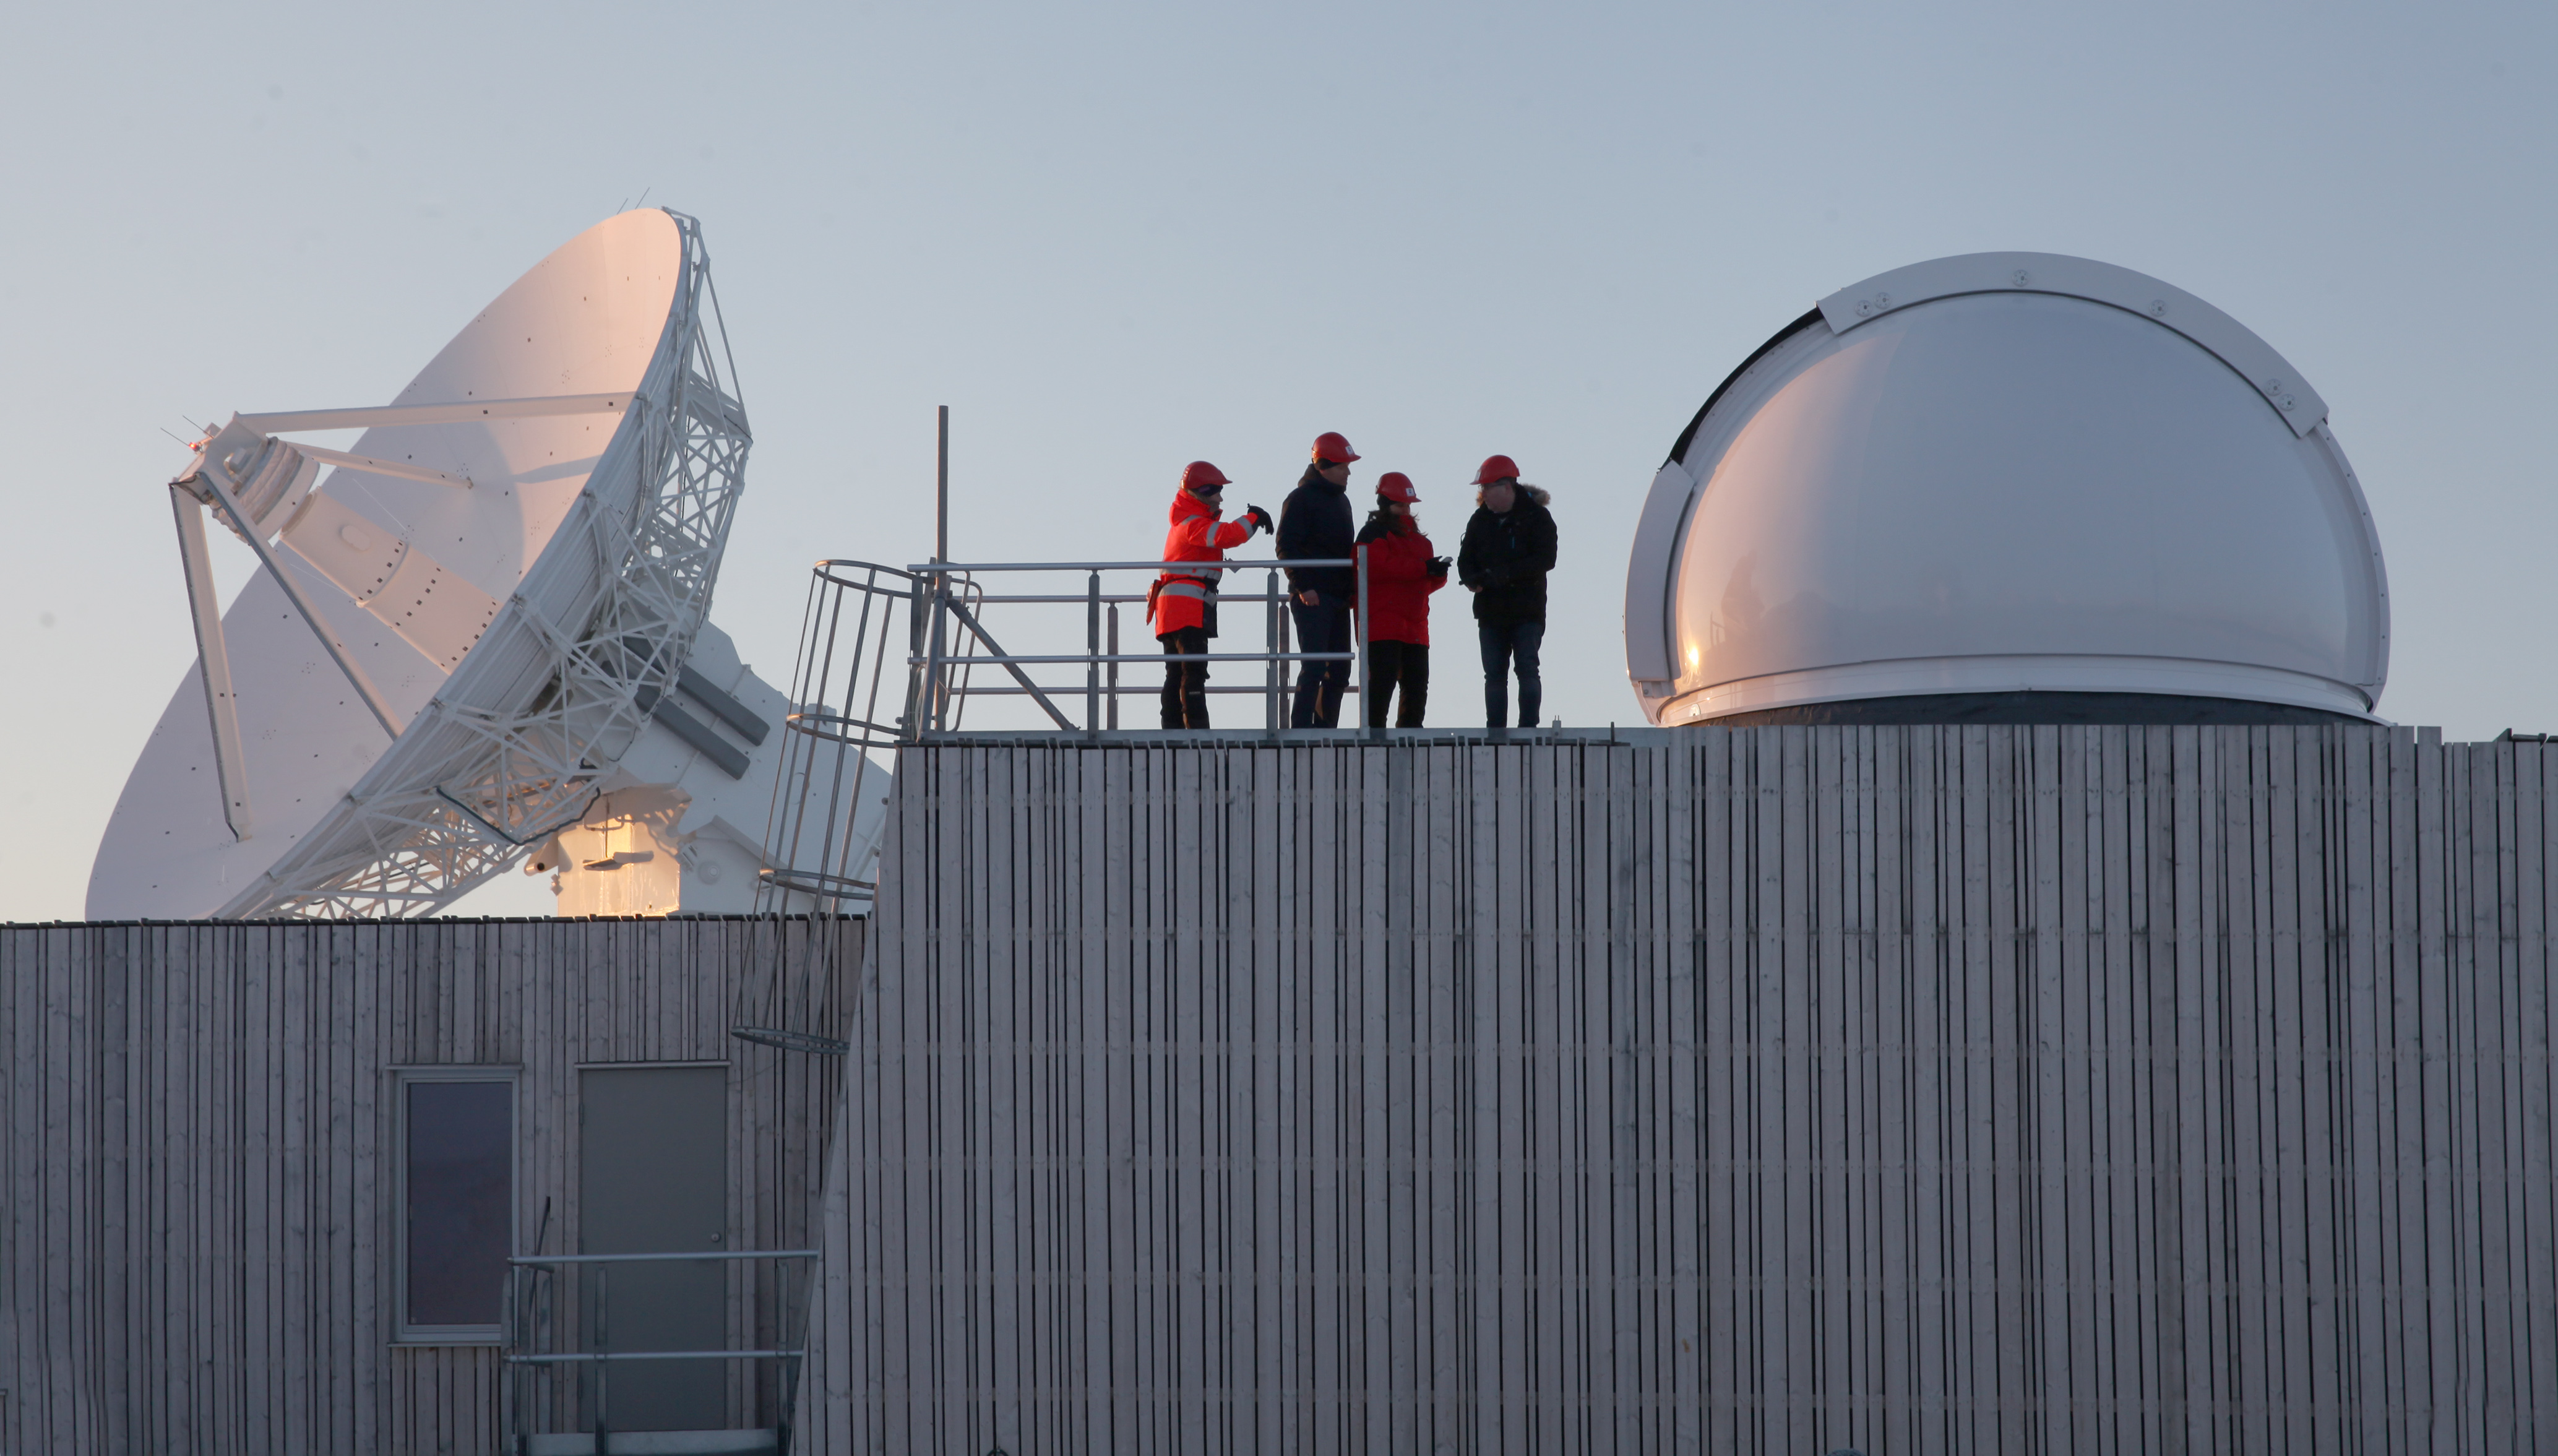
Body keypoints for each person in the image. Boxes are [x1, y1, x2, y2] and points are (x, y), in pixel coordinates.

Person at [1148, 460, 1271, 729]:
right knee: (1192, 672)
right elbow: (1227, 535)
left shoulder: (1185, 522)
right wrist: (1254, 518)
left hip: (1175, 610)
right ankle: (1196, 729)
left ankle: (1173, 729)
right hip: (1187, 609)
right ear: (1202, 492)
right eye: (1216, 491)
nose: (1221, 497)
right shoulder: (1193, 524)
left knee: (1177, 672)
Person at [1455, 454, 1557, 730]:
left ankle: (1528, 730)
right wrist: (1470, 578)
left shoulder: (1537, 518)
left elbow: (1546, 559)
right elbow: (1465, 560)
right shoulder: (1480, 521)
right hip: (1491, 613)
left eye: (1487, 487)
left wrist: (1504, 575)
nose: (1483, 494)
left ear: (1507, 487)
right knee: (1495, 676)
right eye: (1482, 488)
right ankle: (1496, 732)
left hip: (1526, 611)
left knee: (1527, 669)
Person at [1276, 431, 1359, 728]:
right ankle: (1301, 730)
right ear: (1325, 466)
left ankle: (1326, 730)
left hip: (1337, 598)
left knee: (1339, 672)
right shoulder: (1300, 499)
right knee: (1313, 666)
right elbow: (1286, 546)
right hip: (1312, 597)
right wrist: (1303, 586)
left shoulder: (1343, 502)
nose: (1349, 472)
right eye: (1343, 466)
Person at [1353, 472, 1447, 727]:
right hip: (1383, 623)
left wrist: (1436, 574)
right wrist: (1424, 569)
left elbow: (1418, 579)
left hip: (1413, 625)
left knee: (1416, 688)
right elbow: (1378, 567)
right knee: (1383, 685)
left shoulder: (1419, 542)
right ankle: (1373, 740)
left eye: (1407, 504)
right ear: (1385, 504)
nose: (1405, 510)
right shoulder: (1372, 535)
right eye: (1400, 504)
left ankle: (1408, 740)